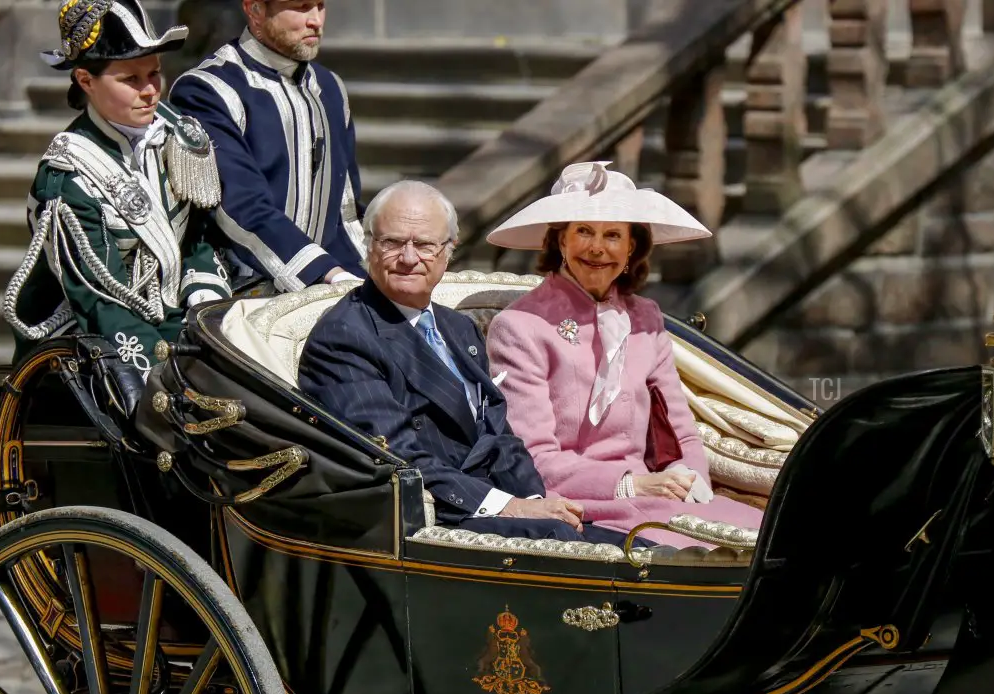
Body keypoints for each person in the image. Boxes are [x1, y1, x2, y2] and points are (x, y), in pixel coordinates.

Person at [297, 181, 648, 545]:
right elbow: (394, 457)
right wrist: (508, 505)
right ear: (369, 246)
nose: (408, 257)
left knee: (643, 546)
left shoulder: (457, 327)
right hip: (429, 520)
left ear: (449, 252)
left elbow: (499, 434)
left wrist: (533, 498)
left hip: (494, 502)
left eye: (425, 245)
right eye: (392, 242)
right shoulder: (345, 337)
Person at [483, 161, 764, 548]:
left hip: (659, 497)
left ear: (631, 247)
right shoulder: (519, 326)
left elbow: (681, 432)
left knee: (773, 539)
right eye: (584, 231)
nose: (598, 247)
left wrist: (690, 482)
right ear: (560, 240)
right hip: (578, 508)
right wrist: (631, 485)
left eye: (613, 235)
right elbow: (534, 458)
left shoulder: (645, 318)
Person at [4, 0, 231, 380]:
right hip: (94, 334)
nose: (150, 91)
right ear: (85, 81)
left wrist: (207, 305)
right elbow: (99, 300)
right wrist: (165, 367)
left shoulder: (178, 134)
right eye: (130, 79)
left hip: (178, 316)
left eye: (155, 73)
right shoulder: (67, 175)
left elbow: (197, 239)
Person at [168, 0, 367, 296]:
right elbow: (240, 205)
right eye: (301, 7)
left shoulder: (330, 87)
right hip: (241, 288)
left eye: (320, 6)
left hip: (332, 284)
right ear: (255, 10)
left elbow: (346, 212)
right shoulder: (208, 88)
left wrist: (368, 268)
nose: (315, 20)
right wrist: (325, 272)